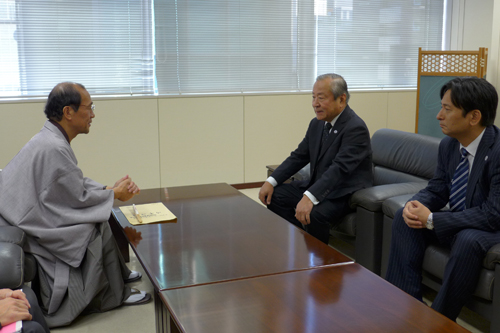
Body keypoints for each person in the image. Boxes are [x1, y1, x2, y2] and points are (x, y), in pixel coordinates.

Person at [0, 82, 151, 328]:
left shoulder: (50, 137)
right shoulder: (53, 146)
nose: (93, 114)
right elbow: (76, 198)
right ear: (69, 112)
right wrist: (113, 195)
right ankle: (112, 295)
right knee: (93, 226)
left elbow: (70, 185)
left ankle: (120, 279)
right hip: (24, 223)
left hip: (25, 213)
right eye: (89, 108)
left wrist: (108, 191)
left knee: (98, 212)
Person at [385, 76, 500, 320]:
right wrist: (415, 206)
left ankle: (440, 320)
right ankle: (406, 308)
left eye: (447, 109)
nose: (439, 115)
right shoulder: (449, 145)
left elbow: (493, 214)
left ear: (474, 117)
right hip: (464, 218)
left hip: (492, 225)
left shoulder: (498, 151)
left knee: (468, 239)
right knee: (403, 218)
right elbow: (438, 188)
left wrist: (433, 219)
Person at [258, 73, 373, 244]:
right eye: (313, 97)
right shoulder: (317, 123)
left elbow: (339, 169)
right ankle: (300, 245)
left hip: (342, 193)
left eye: (321, 98)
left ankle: (320, 262)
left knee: (313, 213)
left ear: (341, 100)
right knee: (275, 196)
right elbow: (299, 156)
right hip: (320, 185)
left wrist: (309, 197)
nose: (315, 104)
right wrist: (271, 181)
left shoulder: (355, 128)